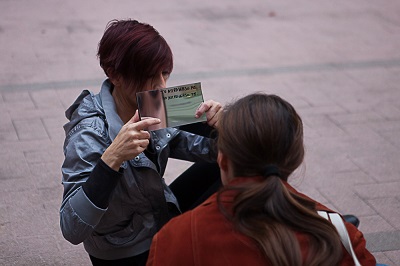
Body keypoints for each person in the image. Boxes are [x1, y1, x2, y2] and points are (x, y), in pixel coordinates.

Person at [60, 19, 223, 265]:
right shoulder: (89, 132)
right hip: (125, 251)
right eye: (149, 75)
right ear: (114, 74)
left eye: (165, 72)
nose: (162, 85)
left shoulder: (153, 103)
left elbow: (207, 151)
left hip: (157, 216)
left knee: (231, 158)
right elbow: (71, 228)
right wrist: (112, 159)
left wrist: (222, 124)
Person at [146, 93, 376, 266]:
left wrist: (109, 168)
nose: (162, 87)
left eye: (165, 74)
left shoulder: (173, 239)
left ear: (222, 160)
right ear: (296, 159)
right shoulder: (340, 235)